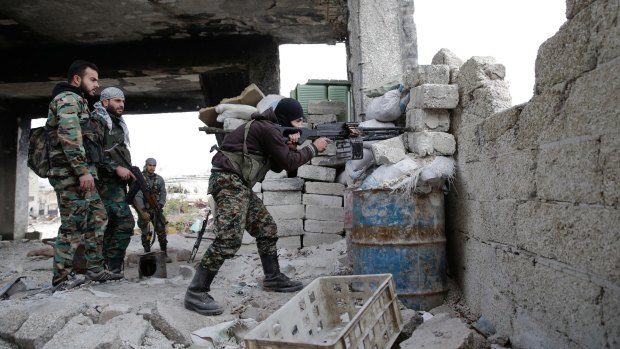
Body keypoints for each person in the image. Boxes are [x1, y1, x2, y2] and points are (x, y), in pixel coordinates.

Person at [184, 98, 329, 316]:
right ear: (285, 119)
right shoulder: (266, 128)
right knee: (229, 239)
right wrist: (314, 149)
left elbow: (281, 165)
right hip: (228, 181)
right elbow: (290, 164)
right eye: (297, 121)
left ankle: (273, 278)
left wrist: (291, 146)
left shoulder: (271, 129)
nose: (300, 126)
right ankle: (196, 292)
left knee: (266, 228)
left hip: (238, 184)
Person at [46, 60, 132, 289]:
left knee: (99, 217)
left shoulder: (80, 102)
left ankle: (94, 269)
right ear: (77, 79)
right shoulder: (67, 100)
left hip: (83, 174)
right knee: (72, 225)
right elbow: (69, 136)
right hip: (70, 174)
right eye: (92, 79)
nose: (96, 84)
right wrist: (83, 171)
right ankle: (61, 279)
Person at [92, 87, 135, 276]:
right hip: (103, 182)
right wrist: (116, 168)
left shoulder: (117, 123)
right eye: (117, 101)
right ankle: (111, 266)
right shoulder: (97, 121)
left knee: (111, 225)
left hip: (116, 184)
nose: (121, 104)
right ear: (105, 102)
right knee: (124, 222)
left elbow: (118, 152)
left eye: (123, 101)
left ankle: (108, 267)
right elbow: (94, 152)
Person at [135, 158, 168, 257]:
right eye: (150, 165)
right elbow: (138, 195)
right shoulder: (140, 178)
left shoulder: (159, 179)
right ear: (145, 165)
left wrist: (161, 204)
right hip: (144, 210)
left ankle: (164, 252)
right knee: (146, 233)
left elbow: (163, 193)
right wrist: (142, 211)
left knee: (161, 230)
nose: (152, 168)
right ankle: (147, 253)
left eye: (154, 166)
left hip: (156, 209)